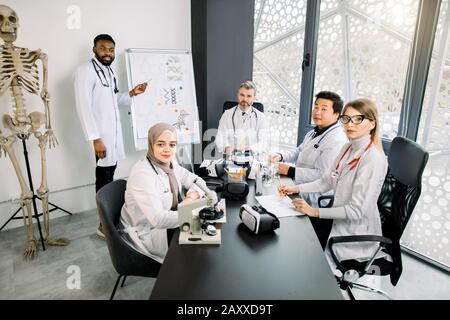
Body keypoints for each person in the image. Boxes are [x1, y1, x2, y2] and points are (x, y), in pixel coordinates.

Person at [279, 99, 388, 272]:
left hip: (353, 234)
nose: (349, 124)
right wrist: (296, 189)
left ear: (372, 123)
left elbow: (356, 211)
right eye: (346, 119)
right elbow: (326, 181)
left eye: (357, 119)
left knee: (300, 254)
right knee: (292, 236)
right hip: (335, 219)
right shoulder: (347, 148)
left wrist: (314, 211)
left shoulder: (373, 159)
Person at [74, 34, 148, 238]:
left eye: (111, 49)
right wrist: (95, 138)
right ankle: (104, 226)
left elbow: (114, 99)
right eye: (103, 48)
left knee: (110, 174)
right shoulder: (85, 71)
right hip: (100, 137)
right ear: (94, 50)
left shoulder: (108, 71)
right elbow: (83, 106)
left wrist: (132, 93)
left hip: (113, 135)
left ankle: (107, 221)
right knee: (104, 180)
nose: (108, 53)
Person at [119, 123, 207, 263]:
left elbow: (195, 179)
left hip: (171, 220)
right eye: (160, 144)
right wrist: (193, 214)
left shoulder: (171, 163)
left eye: (172, 145)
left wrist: (191, 196)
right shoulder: (142, 173)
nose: (167, 150)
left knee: (206, 238)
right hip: (148, 232)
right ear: (151, 144)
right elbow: (158, 219)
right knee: (199, 251)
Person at [269, 91, 347, 207]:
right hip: (299, 184)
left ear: (336, 115)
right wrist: (281, 156)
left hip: (315, 196)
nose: (317, 112)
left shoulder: (337, 140)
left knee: (273, 198)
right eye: (316, 107)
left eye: (324, 109)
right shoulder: (314, 132)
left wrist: (291, 170)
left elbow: (322, 175)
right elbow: (298, 151)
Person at [215, 81, 267, 156]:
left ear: (254, 97)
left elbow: (264, 142)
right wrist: (227, 148)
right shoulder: (227, 114)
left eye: (249, 96)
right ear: (238, 95)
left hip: (251, 158)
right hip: (230, 158)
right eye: (242, 95)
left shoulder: (261, 117)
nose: (245, 99)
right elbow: (219, 138)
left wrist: (251, 149)